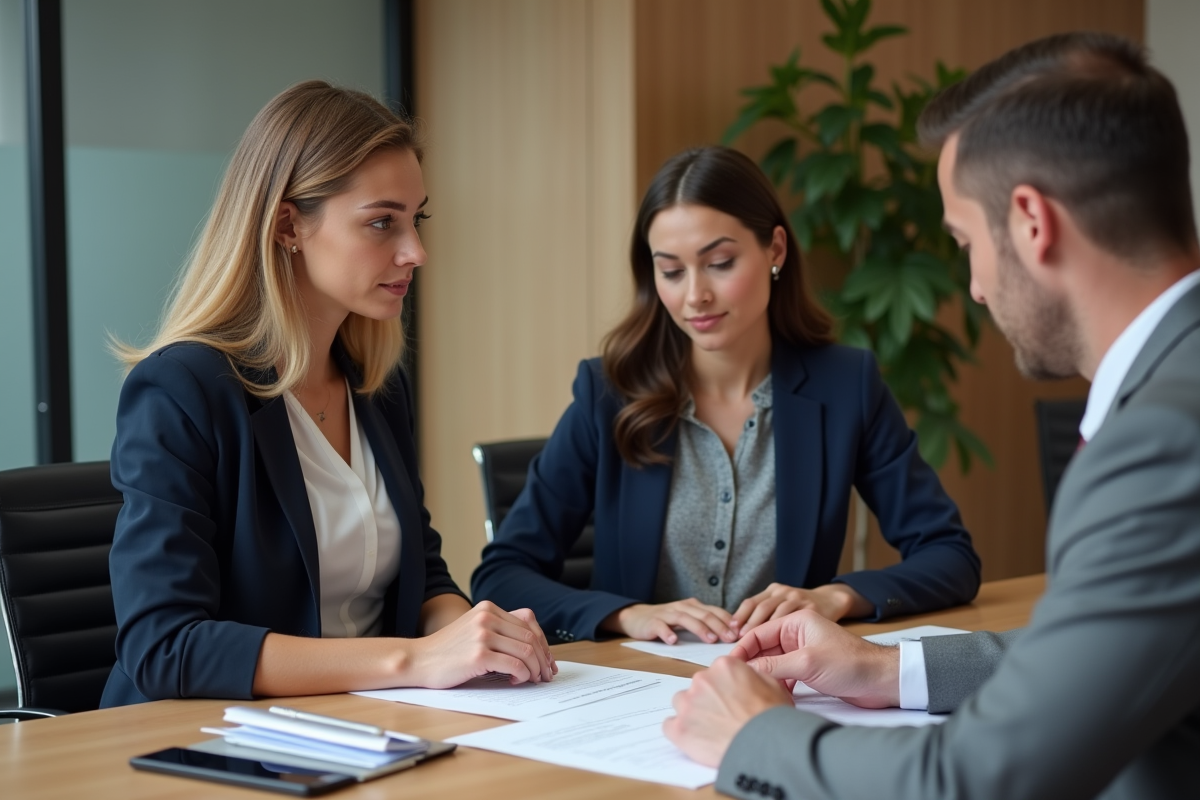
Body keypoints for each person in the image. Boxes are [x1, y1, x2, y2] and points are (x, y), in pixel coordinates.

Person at [664, 32, 1200, 800]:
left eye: (964, 242)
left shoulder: (1160, 444)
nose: (976, 287)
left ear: (1030, 222)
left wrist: (757, 736)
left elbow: (974, 779)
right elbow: (1124, 650)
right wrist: (885, 668)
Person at [101, 81, 556, 708]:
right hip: (209, 747)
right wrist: (418, 658)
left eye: (416, 219)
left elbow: (418, 569)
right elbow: (166, 646)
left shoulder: (375, 384)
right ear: (289, 224)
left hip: (366, 730)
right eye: (381, 222)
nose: (416, 251)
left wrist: (471, 633)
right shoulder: (182, 390)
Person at [471, 146, 980, 646]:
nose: (695, 295)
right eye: (671, 271)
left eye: (719, 262)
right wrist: (627, 615)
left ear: (775, 250)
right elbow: (501, 574)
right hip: (637, 690)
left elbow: (950, 556)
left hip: (784, 686)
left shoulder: (846, 387)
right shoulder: (608, 394)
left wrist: (836, 598)